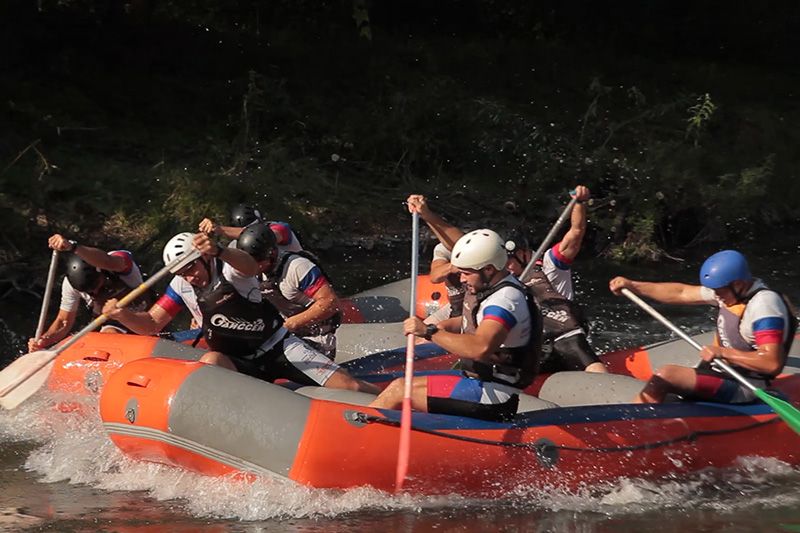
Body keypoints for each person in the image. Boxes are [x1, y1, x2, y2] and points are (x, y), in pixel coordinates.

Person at [102, 232, 377, 393]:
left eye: (192, 268)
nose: (190, 277)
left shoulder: (231, 270)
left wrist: (220, 249)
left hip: (278, 348)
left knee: (349, 387)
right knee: (210, 360)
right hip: (240, 361)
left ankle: (391, 406)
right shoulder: (180, 285)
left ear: (204, 258)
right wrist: (121, 315)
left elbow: (250, 266)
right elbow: (152, 323)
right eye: (182, 273)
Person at [369, 229, 542, 421]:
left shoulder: (505, 300)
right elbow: (477, 321)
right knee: (399, 384)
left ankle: (360, 432)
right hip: (480, 383)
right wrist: (444, 326)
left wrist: (430, 331)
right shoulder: (497, 288)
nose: (462, 279)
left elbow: (480, 347)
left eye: (466, 273)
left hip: (493, 397)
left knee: (399, 391)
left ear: (488, 269)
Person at [609, 250, 797, 404]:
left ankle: (634, 426)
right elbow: (681, 293)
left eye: (719, 291)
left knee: (666, 375)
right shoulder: (729, 291)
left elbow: (771, 363)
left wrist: (723, 353)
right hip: (720, 371)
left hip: (744, 386)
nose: (715, 295)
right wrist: (633, 286)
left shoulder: (764, 306)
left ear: (738, 284)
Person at [504, 185, 607, 373]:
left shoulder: (550, 263)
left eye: (510, 260)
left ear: (524, 253)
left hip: (566, 335)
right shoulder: (506, 280)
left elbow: (576, 232)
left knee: (576, 349)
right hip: (536, 346)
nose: (506, 266)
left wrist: (579, 203)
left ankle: (604, 383)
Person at [236, 222, 342, 360]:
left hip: (316, 339)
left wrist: (289, 325)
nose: (249, 266)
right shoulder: (250, 270)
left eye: (256, 261)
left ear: (271, 254)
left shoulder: (298, 267)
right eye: (246, 260)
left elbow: (330, 302)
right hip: (286, 336)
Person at [28, 234, 149, 352]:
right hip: (114, 324)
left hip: (146, 314)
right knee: (109, 334)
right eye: (89, 291)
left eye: (97, 286)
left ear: (100, 270)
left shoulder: (118, 263)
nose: (95, 292)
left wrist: (73, 247)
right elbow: (63, 322)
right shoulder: (70, 283)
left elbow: (107, 261)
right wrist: (44, 340)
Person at [405, 195, 467, 324]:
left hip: (472, 306)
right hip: (455, 307)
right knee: (420, 333)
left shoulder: (472, 248)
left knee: (438, 330)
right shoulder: (442, 249)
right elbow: (435, 277)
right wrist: (453, 266)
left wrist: (426, 214)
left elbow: (460, 242)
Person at [198, 203, 303, 253]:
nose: (254, 231)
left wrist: (219, 229)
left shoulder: (280, 228)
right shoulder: (235, 246)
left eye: (256, 227)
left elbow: (263, 237)